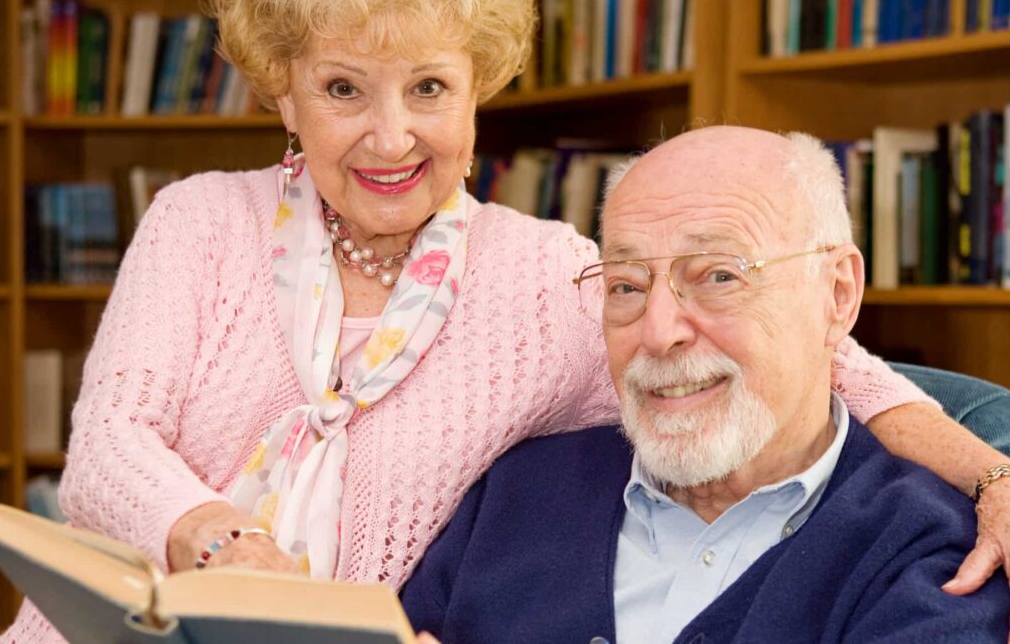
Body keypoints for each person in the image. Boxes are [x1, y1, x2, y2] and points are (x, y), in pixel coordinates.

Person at [0, 0, 1010, 640]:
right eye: (344, 88)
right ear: (283, 94)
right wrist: (223, 544)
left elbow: (794, 350)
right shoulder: (197, 222)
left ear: (479, 87)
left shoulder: (553, 281)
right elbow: (106, 446)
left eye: (429, 86)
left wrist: (992, 469)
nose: (392, 137)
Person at [401, 127, 1010, 643]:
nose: (659, 331)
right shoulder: (515, 495)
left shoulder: (930, 551)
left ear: (837, 295)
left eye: (720, 276)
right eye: (627, 286)